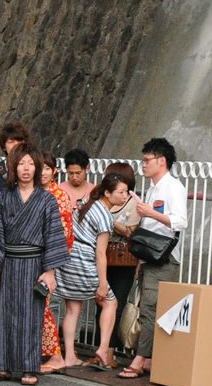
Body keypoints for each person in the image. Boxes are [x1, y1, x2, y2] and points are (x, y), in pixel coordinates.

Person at [0, 143, 70, 386]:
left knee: (32, 316)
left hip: (35, 264)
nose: (26, 168)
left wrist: (50, 272)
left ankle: (30, 368)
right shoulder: (3, 199)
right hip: (9, 263)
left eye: (30, 163)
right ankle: (2, 366)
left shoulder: (47, 200)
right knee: (5, 314)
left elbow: (53, 236)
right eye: (21, 163)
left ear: (37, 167)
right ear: (13, 167)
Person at [119, 138, 187, 380]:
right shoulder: (153, 188)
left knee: (150, 308)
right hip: (150, 257)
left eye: (147, 160)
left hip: (165, 259)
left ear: (162, 161)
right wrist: (140, 261)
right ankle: (147, 359)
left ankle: (139, 360)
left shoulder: (173, 188)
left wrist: (151, 213)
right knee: (149, 307)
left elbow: (180, 221)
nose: (143, 165)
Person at [59, 171, 125, 369]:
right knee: (111, 303)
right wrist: (102, 284)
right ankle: (103, 349)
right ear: (107, 192)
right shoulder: (105, 216)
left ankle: (69, 355)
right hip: (84, 261)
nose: (125, 196)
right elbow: (100, 254)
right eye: (121, 192)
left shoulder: (89, 202)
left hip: (68, 257)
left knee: (73, 309)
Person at [38, 149, 74, 373]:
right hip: (33, 256)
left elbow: (61, 233)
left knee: (42, 305)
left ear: (54, 171)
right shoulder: (35, 193)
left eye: (47, 169)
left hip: (46, 259)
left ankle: (56, 355)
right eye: (39, 168)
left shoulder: (59, 196)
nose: (42, 173)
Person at [102, 161, 141, 325]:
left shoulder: (133, 203)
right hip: (102, 257)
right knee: (101, 303)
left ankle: (110, 348)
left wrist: (108, 219)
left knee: (117, 304)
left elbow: (130, 231)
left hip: (123, 259)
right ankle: (101, 344)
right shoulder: (102, 200)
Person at [0, 121, 31, 192]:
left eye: (19, 142)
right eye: (11, 142)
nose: (16, 145)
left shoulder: (33, 168)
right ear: (4, 146)